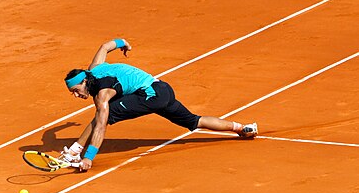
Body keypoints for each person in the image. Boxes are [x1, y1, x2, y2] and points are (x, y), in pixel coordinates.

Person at [60, 39, 258, 171]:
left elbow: (100, 125)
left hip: (151, 95)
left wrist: (89, 158)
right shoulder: (94, 68)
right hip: (163, 89)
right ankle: (242, 128)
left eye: (76, 90)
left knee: (104, 116)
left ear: (85, 82)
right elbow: (105, 46)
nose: (76, 95)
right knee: (194, 121)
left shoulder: (102, 95)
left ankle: (74, 152)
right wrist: (124, 43)